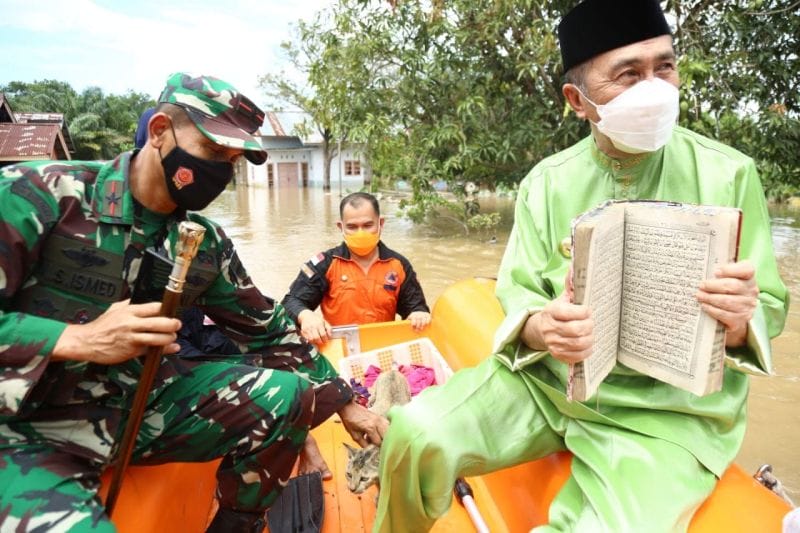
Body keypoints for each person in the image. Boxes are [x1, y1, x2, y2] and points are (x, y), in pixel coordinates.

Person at [373, 1, 789, 532]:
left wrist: (738, 320)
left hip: (665, 416)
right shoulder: (546, 182)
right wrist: (543, 326)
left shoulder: (731, 174)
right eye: (629, 75)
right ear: (578, 100)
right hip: (547, 386)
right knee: (414, 433)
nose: (656, 87)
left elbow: (769, 305)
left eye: (665, 66)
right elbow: (519, 288)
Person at [0, 72, 386, 532]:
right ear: (160, 131)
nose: (221, 171)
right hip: (26, 425)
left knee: (289, 395)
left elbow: (268, 331)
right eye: (213, 152)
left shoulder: (203, 242)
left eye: (233, 160)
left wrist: (346, 404)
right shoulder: (39, 195)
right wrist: (75, 338)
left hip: (138, 407)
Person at [282, 192, 431, 345]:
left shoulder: (399, 265)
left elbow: (415, 307)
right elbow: (291, 301)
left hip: (382, 347)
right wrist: (306, 316)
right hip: (338, 348)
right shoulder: (324, 264)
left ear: (381, 223)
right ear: (341, 227)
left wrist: (419, 314)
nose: (361, 233)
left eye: (368, 225)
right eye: (352, 227)